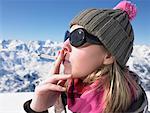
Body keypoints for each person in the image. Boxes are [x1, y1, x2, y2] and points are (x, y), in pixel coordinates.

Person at [23, 1, 148, 113]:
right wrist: (38, 109)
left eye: (77, 37)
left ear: (109, 54)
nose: (65, 45)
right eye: (67, 36)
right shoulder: (74, 91)